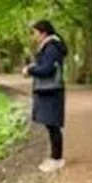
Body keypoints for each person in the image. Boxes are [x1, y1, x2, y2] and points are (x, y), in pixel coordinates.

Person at [23, 20, 68, 172]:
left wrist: (30, 71)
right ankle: (55, 157)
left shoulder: (51, 47)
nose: (34, 36)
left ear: (43, 32)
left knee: (52, 124)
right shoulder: (49, 46)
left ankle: (57, 159)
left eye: (35, 33)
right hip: (49, 89)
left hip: (51, 89)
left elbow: (47, 69)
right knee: (50, 124)